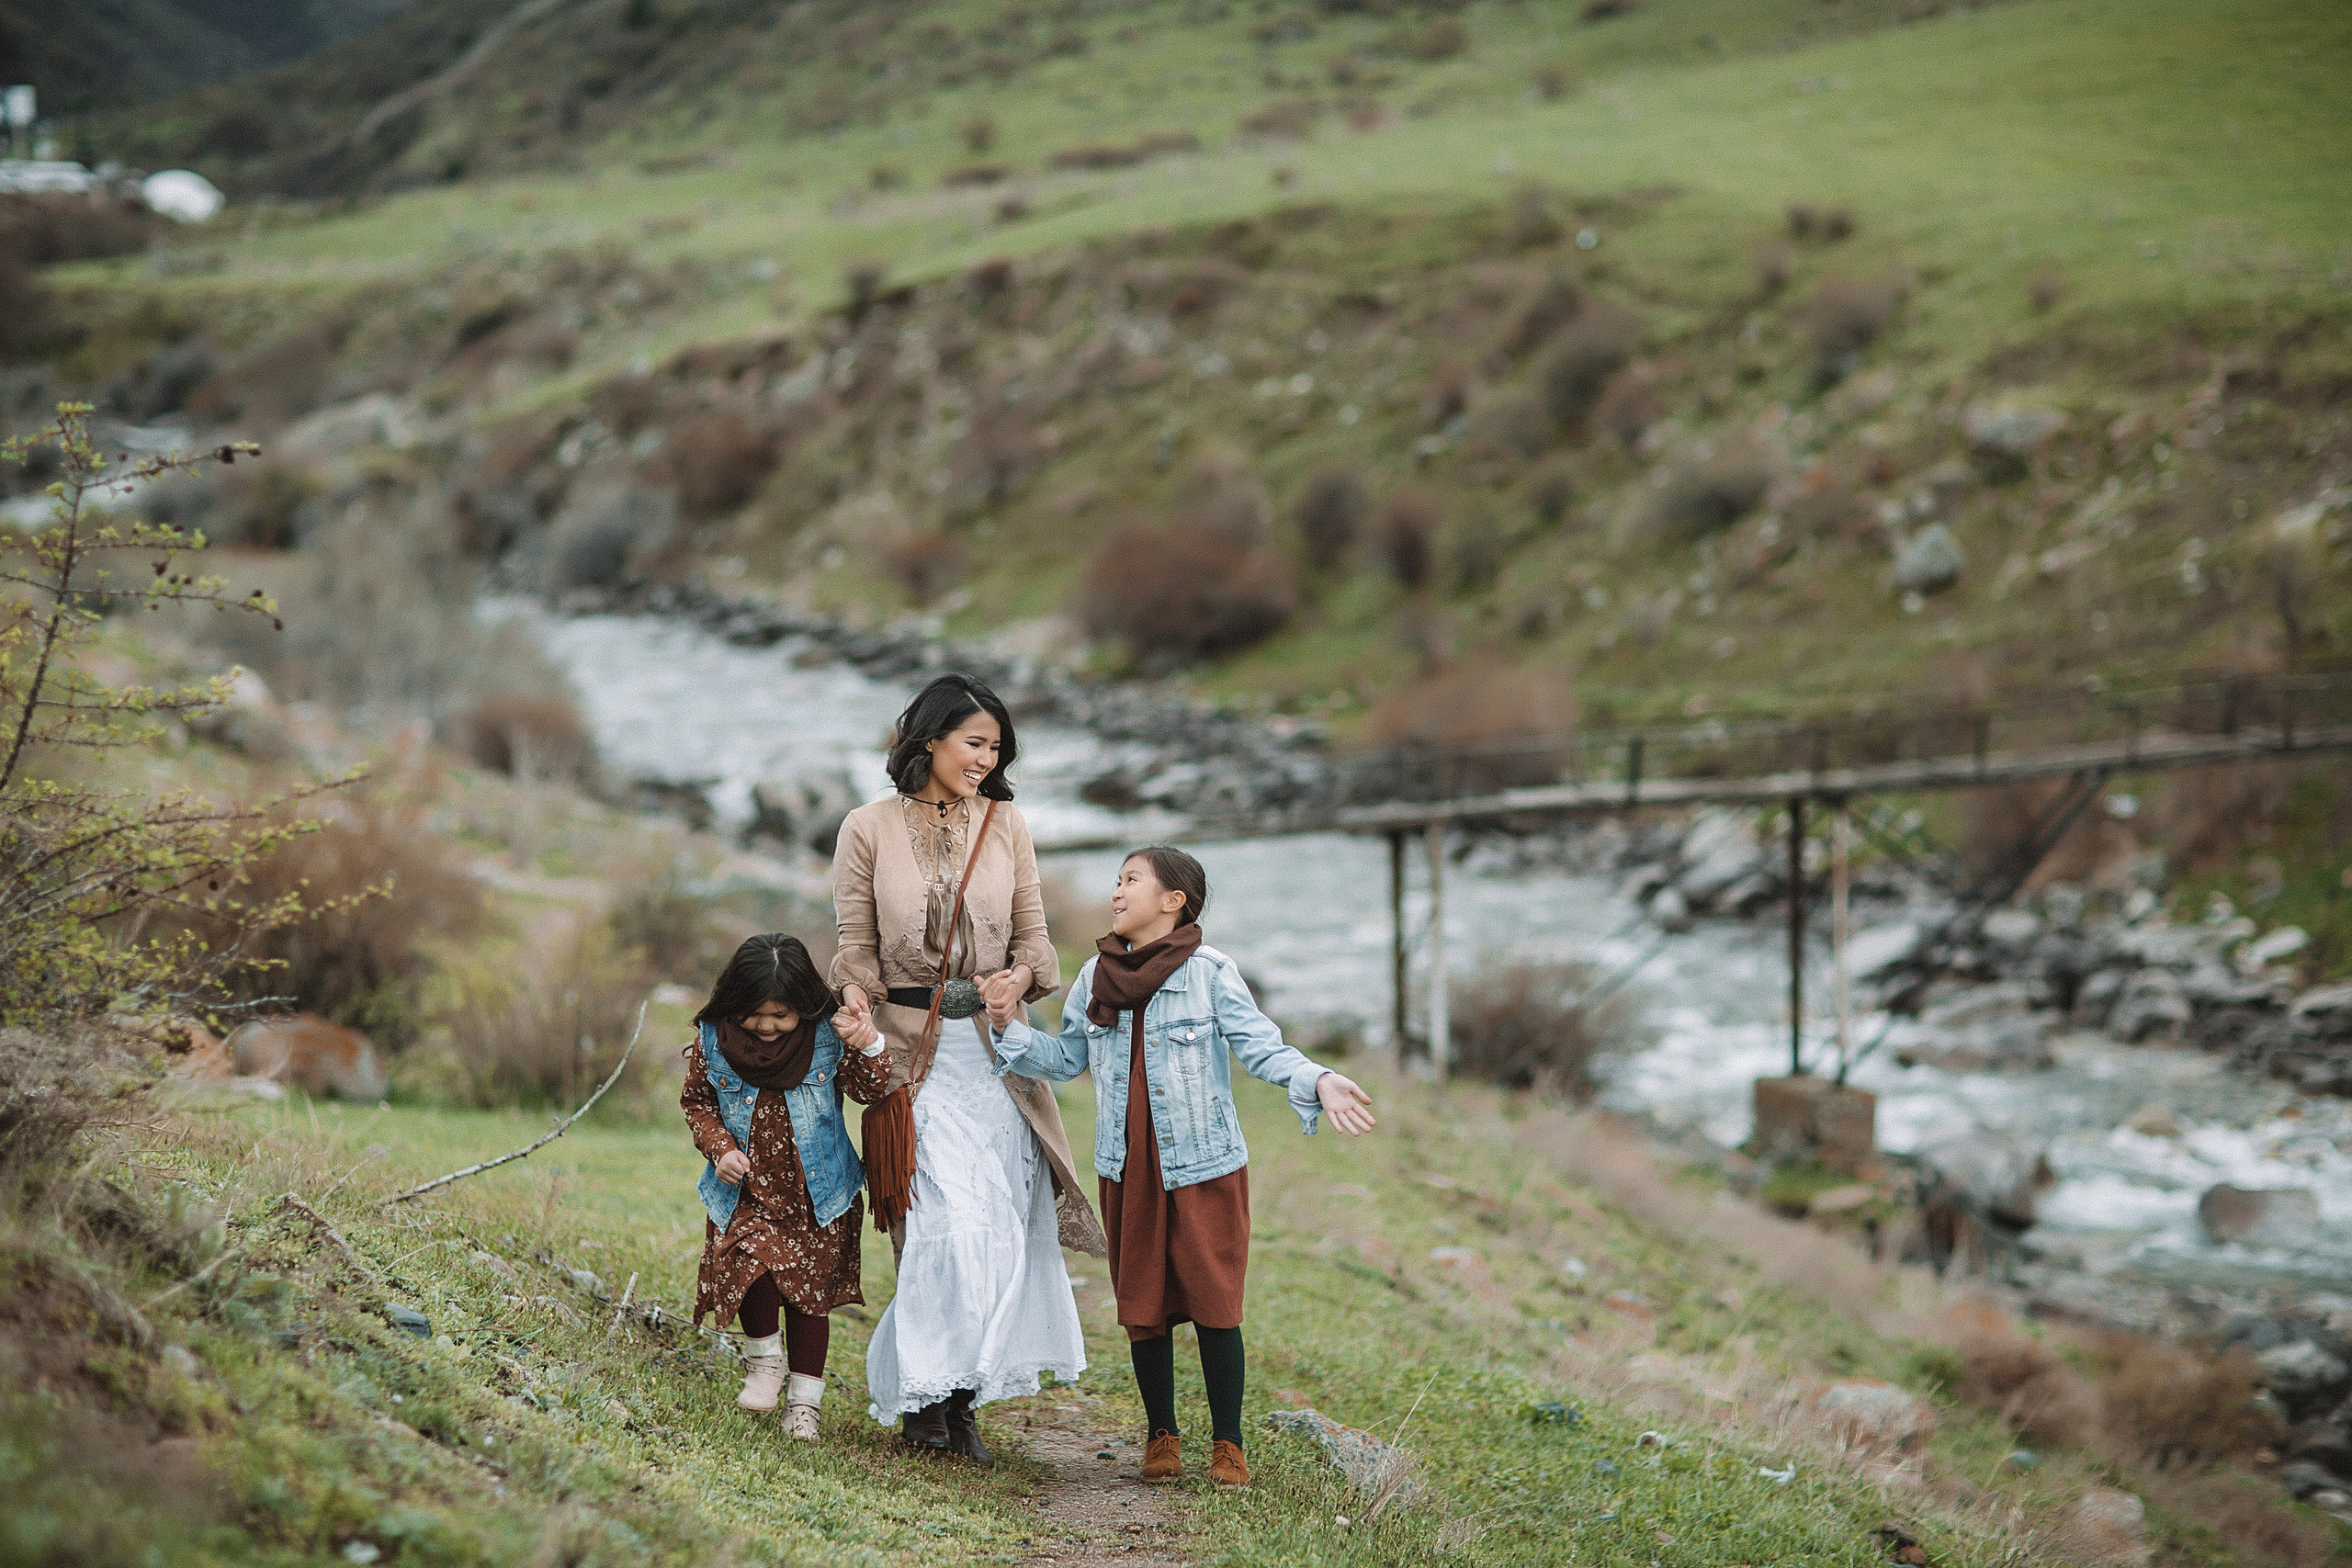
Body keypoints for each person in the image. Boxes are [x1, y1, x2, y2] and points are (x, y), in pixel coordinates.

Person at [982, 844, 1377, 1488]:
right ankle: (1160, 1432)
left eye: (1131, 879)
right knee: (1143, 1303)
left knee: (1216, 1301)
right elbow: (1063, 1060)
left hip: (1205, 1167)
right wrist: (1008, 1025)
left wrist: (1320, 1077)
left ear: (1174, 900)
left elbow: (1260, 1047)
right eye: (1116, 880)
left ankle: (1229, 1441)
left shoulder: (1211, 972)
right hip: (1127, 1165)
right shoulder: (1094, 977)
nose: (1117, 890)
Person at [831, 672, 1106, 1466]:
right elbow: (853, 944)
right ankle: (922, 1398)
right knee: (942, 1227)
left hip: (996, 1056)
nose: (986, 758)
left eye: (996, 747)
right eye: (974, 742)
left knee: (1002, 1232)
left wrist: (1018, 982)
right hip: (909, 1054)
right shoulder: (866, 827)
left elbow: (1037, 941)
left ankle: (960, 1399)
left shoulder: (1009, 823)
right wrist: (855, 1004)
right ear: (929, 740)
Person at [681, 933, 888, 1439]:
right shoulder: (714, 1038)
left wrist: (870, 1045)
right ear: (734, 1002)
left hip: (816, 1194)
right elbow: (697, 1102)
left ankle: (804, 1403)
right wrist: (720, 1148)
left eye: (781, 1016)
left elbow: (870, 1090)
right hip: (747, 1189)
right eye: (756, 1015)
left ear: (804, 1006)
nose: (768, 1027)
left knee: (809, 1298)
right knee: (752, 1269)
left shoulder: (828, 1035)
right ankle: (765, 1362)